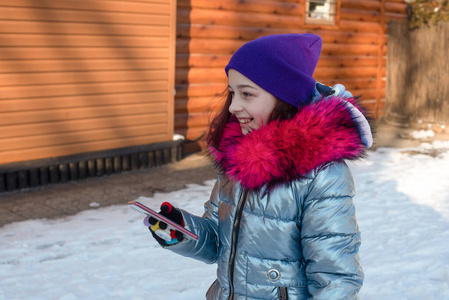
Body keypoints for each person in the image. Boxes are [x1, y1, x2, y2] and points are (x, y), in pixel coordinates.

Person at [145, 33, 372, 299]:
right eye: (232, 93)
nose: (233, 106)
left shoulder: (322, 175)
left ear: (284, 97)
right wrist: (180, 230)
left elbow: (337, 280)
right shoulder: (237, 159)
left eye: (247, 94)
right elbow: (219, 243)